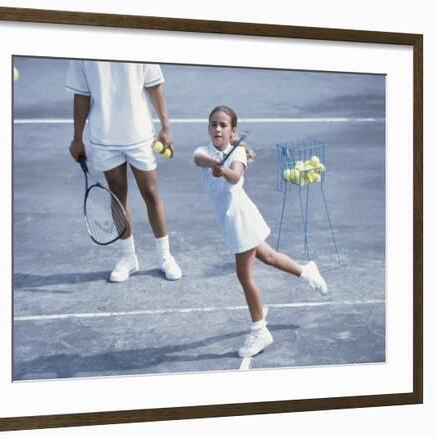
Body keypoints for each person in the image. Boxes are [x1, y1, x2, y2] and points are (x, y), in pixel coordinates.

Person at [193, 105, 327, 358]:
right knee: (270, 257)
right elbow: (199, 159)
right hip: (233, 218)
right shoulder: (203, 151)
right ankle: (306, 271)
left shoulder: (239, 152)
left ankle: (259, 331)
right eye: (213, 124)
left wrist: (222, 169)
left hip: (240, 219)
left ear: (232, 130)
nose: (217, 128)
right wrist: (214, 162)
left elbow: (234, 176)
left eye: (223, 125)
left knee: (244, 275)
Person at [66, 60, 182, 282]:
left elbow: (154, 85)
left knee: (150, 191)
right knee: (117, 195)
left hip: (140, 134)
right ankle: (128, 258)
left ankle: (165, 256)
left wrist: (166, 127)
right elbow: (81, 95)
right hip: (104, 137)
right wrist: (77, 138)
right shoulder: (81, 49)